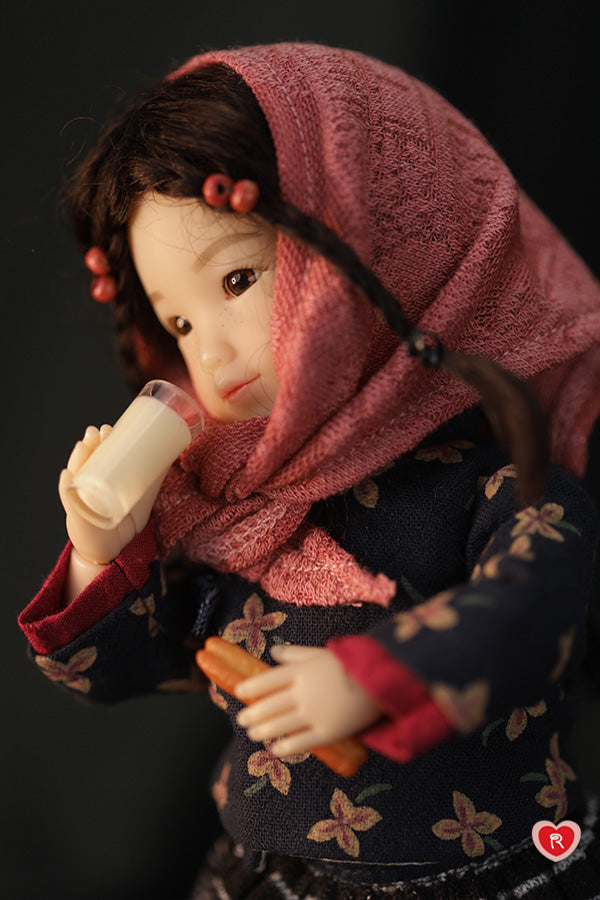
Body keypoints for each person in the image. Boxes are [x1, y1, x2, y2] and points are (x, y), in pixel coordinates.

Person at [18, 43, 600, 899]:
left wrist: (372, 677)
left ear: (379, 239)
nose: (207, 352)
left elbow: (531, 607)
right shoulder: (231, 503)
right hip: (264, 878)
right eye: (177, 323)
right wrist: (100, 548)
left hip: (478, 871)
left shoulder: (491, 483)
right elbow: (121, 671)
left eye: (241, 277)